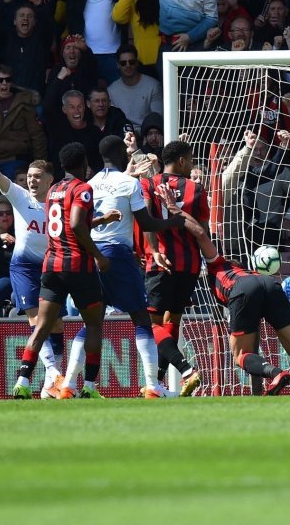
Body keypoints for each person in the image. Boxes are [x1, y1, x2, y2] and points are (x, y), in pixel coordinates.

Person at [159, 184, 290, 395]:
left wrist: (174, 209)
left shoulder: (215, 265)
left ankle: (274, 373)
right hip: (269, 283)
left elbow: (201, 233)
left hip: (243, 290)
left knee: (240, 355)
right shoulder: (238, 270)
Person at [89, 136, 187, 398]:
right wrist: (172, 223)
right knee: (143, 320)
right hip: (120, 256)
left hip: (92, 254)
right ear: (123, 154)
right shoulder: (129, 183)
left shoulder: (88, 185)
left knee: (92, 322)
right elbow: (147, 223)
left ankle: (76, 385)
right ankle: (155, 385)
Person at [12, 142, 110, 399]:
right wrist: (98, 255)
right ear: (83, 164)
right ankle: (89, 387)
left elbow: (65, 223)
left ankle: (22, 382)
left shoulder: (54, 190)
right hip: (78, 265)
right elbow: (76, 223)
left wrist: (100, 220)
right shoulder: (83, 189)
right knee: (94, 324)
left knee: (41, 326)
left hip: (51, 265)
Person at [0, 154, 65, 397]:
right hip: (23, 268)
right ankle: (53, 373)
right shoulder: (19, 196)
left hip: (51, 267)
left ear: (50, 180)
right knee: (37, 320)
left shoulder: (58, 203)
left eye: (37, 177)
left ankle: (48, 386)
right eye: (29, 176)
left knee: (56, 324)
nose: (31, 181)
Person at [140, 140, 208, 396]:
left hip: (161, 262)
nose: (191, 166)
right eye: (190, 161)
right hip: (189, 264)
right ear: (181, 161)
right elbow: (202, 230)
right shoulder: (196, 189)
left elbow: (146, 220)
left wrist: (155, 251)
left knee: (151, 325)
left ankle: (186, 370)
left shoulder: (149, 184)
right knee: (172, 321)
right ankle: (156, 383)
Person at [0, 64, 48, 199]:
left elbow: (37, 135)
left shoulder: (24, 103)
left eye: (8, 80)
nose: (4, 83)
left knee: (7, 199)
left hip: (14, 160)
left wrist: (40, 167)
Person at [107, 44, 163, 132]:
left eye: (131, 62)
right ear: (118, 65)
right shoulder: (111, 90)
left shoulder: (153, 85)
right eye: (123, 63)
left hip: (147, 135)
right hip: (122, 135)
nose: (128, 65)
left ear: (137, 63)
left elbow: (157, 119)